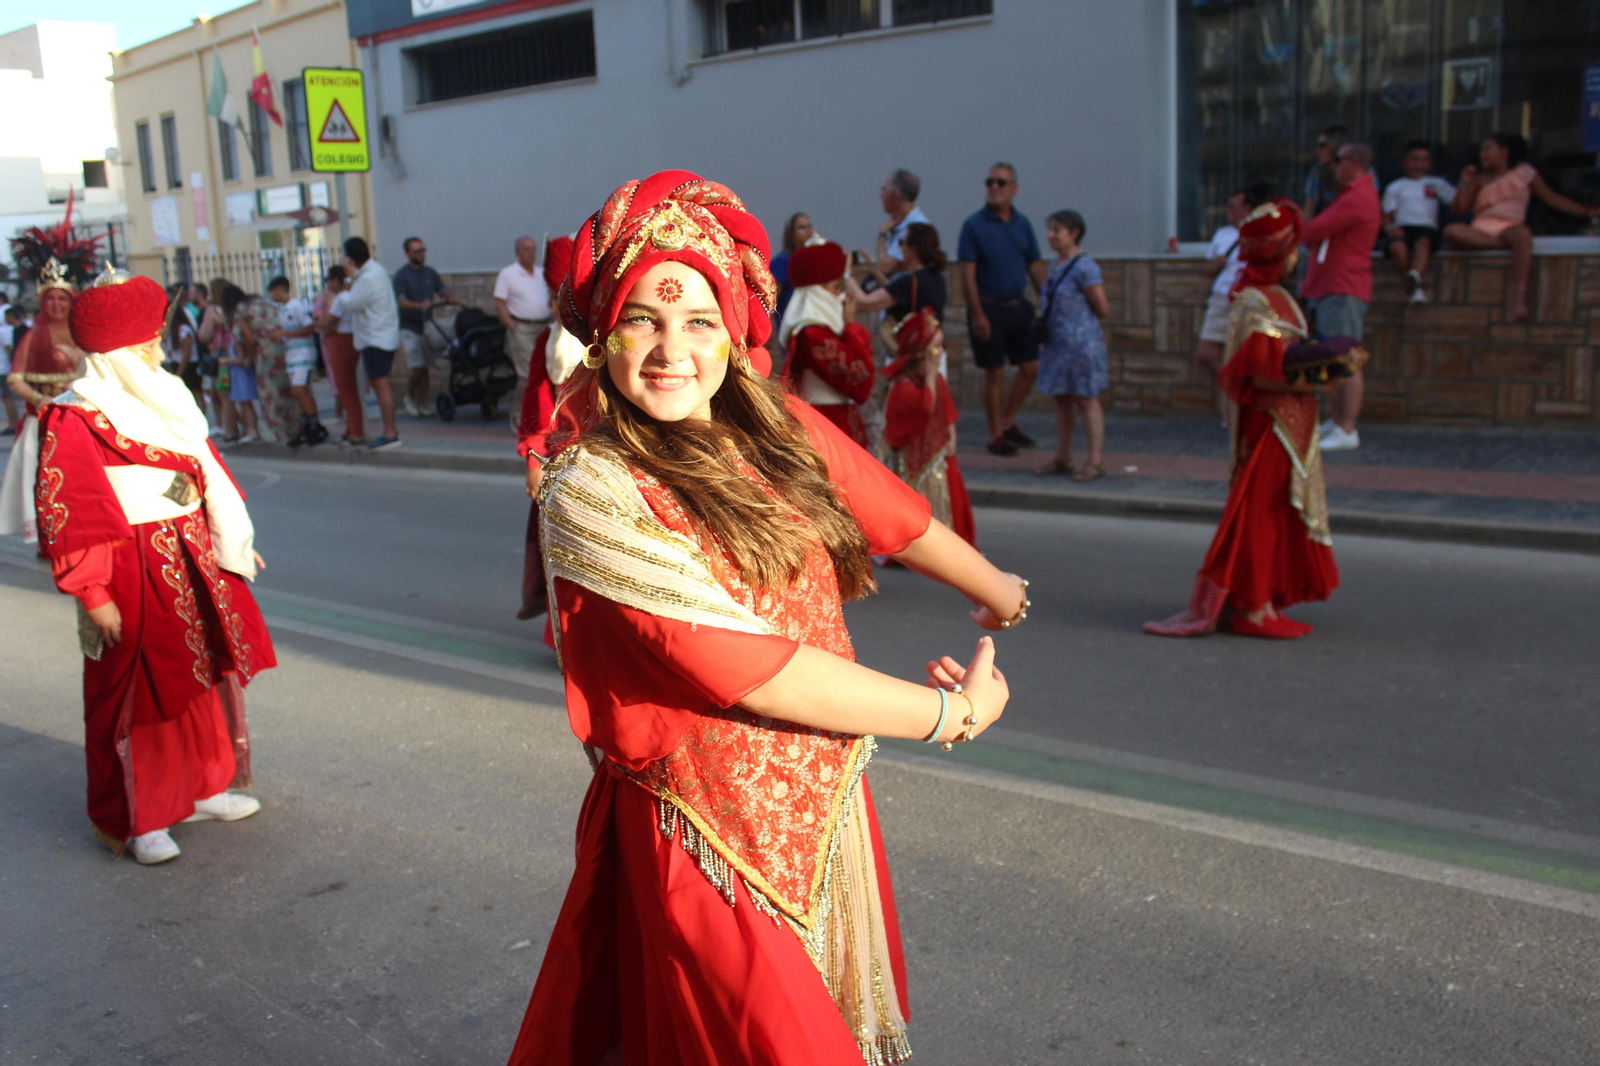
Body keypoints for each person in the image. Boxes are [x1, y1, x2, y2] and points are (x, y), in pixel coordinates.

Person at [504, 168, 1027, 1066]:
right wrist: (954, 714)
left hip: (824, 802)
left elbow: (886, 505)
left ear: (733, 330)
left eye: (700, 321)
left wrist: (995, 587)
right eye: (644, 320)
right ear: (602, 336)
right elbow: (746, 663)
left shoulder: (770, 426)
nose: (674, 350)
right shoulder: (590, 486)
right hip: (705, 835)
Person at [34, 272, 276, 864]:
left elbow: (204, 467)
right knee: (146, 689)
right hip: (132, 565)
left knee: (202, 673)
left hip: (190, 552)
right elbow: (72, 510)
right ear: (119, 352)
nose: (159, 351)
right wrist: (93, 593)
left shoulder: (164, 397)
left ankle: (207, 785)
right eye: (148, 342)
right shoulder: (76, 416)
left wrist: (231, 542)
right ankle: (146, 815)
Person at [1145, 199, 1340, 640]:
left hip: (1293, 422)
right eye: (1292, 246)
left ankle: (1264, 599)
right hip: (1270, 423)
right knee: (1260, 512)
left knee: (1276, 510)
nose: (1296, 255)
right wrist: (1316, 370)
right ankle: (1252, 607)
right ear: (1280, 250)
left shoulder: (1282, 298)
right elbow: (1259, 369)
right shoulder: (1253, 300)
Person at [1444, 133, 1600, 322]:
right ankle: (1512, 246)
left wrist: (1585, 212)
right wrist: (1465, 183)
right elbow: (1460, 209)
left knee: (1523, 234)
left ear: (1504, 151)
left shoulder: (1525, 173)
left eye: (1487, 149)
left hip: (1510, 226)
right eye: (1481, 150)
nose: (1482, 154)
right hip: (1481, 229)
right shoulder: (1480, 178)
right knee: (1450, 231)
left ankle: (1520, 298)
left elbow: (1552, 198)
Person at [514, 235, 582, 622]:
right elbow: (536, 408)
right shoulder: (547, 341)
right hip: (560, 462)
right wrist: (534, 462)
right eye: (553, 296)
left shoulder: (609, 341)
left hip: (605, 459)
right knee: (558, 551)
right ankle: (561, 636)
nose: (557, 306)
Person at [958, 162, 1047, 456]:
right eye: (990, 182)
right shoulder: (974, 225)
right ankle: (996, 433)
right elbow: (967, 273)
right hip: (989, 307)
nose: (994, 188)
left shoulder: (1022, 224)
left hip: (1018, 306)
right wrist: (978, 314)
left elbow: (1034, 264)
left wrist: (1048, 300)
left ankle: (1008, 421)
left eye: (1001, 182)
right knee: (994, 373)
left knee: (1030, 367)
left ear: (1014, 189)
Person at [1301, 142, 1380, 453]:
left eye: (1339, 160)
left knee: (1346, 356)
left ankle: (1348, 426)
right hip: (1334, 283)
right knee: (1337, 354)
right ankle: (1339, 420)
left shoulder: (1358, 196)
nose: (1335, 166)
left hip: (1343, 284)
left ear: (1354, 162)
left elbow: (1313, 230)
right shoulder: (1352, 195)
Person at [1, 260, 84, 543]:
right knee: (42, 479)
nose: (56, 304)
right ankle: (47, 533)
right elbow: (15, 379)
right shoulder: (31, 336)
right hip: (42, 420)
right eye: (50, 298)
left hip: (80, 418)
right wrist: (40, 398)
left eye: (62, 298)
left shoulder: (84, 335)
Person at [882, 306, 976, 546]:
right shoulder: (903, 387)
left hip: (940, 455)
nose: (942, 353)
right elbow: (924, 409)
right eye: (937, 347)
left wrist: (951, 435)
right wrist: (931, 378)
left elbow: (945, 409)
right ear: (921, 353)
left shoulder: (936, 380)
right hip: (917, 461)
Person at [1033, 210, 1112, 482]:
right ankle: (1063, 457)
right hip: (1058, 344)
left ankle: (1095, 460)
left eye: (1057, 230)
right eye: (1050, 229)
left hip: (1080, 344)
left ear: (1074, 232)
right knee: (1062, 400)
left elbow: (1101, 306)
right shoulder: (1056, 264)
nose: (1051, 235)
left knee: (1086, 399)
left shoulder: (1084, 266)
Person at [776, 240, 875, 446]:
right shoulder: (812, 334)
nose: (841, 295)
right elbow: (859, 376)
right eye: (836, 287)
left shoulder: (817, 331)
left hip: (836, 419)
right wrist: (851, 326)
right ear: (816, 291)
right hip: (827, 423)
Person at [1195, 183, 1269, 374]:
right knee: (1206, 353)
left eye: (1232, 205)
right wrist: (1218, 263)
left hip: (1246, 299)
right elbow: (1207, 269)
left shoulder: (1261, 234)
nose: (1228, 210)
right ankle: (1232, 385)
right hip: (1221, 297)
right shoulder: (1222, 234)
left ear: (1247, 209)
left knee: (1245, 355)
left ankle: (1241, 393)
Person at [338, 236, 402, 450]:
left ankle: (390, 433)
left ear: (350, 259)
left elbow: (349, 303)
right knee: (381, 383)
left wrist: (347, 279)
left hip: (375, 337)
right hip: (382, 335)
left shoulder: (366, 278)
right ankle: (390, 431)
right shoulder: (377, 271)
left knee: (380, 384)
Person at [392, 235, 460, 417]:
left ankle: (422, 403)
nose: (421, 254)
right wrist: (419, 306)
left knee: (426, 366)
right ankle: (409, 397)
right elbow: (402, 302)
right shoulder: (401, 276)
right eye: (417, 251)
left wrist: (450, 297)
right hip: (409, 326)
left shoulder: (430, 273)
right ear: (407, 253)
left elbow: (442, 290)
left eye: (423, 250)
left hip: (427, 325)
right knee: (418, 366)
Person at [1382, 140, 1455, 304]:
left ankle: (1415, 275)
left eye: (1424, 160)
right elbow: (1387, 215)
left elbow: (1457, 203)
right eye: (1415, 159)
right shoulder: (1396, 187)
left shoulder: (1437, 184)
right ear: (1404, 162)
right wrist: (1390, 228)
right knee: (1397, 247)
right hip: (1403, 228)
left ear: (1430, 163)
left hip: (1426, 229)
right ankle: (1415, 287)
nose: (1419, 164)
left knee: (1423, 244)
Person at [495, 235, 551, 433]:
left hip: (544, 327)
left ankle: (541, 414)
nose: (531, 253)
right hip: (522, 330)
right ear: (518, 251)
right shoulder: (508, 274)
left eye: (533, 249)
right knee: (527, 373)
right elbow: (499, 303)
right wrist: (512, 327)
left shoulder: (542, 273)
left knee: (547, 371)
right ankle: (519, 413)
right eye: (526, 249)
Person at [264, 275, 329, 446]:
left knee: (299, 389)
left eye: (272, 292)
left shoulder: (296, 306)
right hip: (291, 354)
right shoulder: (283, 310)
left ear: (278, 290)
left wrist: (285, 334)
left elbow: (309, 327)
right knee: (300, 391)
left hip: (303, 354)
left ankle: (314, 425)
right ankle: (307, 425)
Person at [853, 222, 948, 325]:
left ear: (913, 250)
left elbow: (865, 302)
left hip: (911, 340)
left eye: (902, 242)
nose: (900, 248)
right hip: (932, 339)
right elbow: (895, 290)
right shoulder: (937, 278)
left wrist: (846, 273)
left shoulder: (909, 282)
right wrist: (875, 270)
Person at [314, 266, 364, 444]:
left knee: (345, 387)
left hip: (338, 340)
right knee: (347, 387)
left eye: (328, 280)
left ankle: (356, 430)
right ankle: (352, 428)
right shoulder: (351, 295)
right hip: (349, 338)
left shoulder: (339, 298)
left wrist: (324, 302)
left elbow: (327, 322)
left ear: (335, 280)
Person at [857, 169, 929, 275]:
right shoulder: (899, 222)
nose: (881, 197)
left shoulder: (916, 227)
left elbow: (885, 267)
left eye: (884, 191)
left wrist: (882, 234)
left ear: (895, 195)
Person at [219, 285, 262, 443]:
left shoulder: (238, 328)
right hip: (240, 367)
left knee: (245, 401)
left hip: (240, 369)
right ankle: (250, 429)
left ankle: (252, 430)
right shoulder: (239, 323)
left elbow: (242, 356)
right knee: (244, 401)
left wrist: (227, 360)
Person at [197, 279, 236, 441]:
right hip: (233, 352)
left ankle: (229, 430)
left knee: (221, 393)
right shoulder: (233, 310)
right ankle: (233, 426)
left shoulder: (212, 311)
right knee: (229, 394)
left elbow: (203, 336)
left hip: (219, 355)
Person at [769, 212, 814, 324]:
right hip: (789, 327)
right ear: (792, 233)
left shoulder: (814, 262)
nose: (808, 231)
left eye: (809, 226)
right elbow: (771, 300)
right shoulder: (782, 261)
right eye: (802, 227)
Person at [1303, 123, 1348, 220]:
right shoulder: (1317, 171)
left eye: (1323, 145)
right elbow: (1308, 210)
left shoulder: (1359, 169)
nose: (1318, 150)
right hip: (1323, 227)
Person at [0, 304, 21, 435]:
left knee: (8, 397)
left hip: (4, 368)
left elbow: (9, 349)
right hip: (4, 368)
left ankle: (13, 423)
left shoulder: (4, 331)